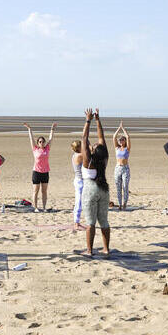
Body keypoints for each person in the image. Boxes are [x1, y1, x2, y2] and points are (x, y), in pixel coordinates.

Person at [81, 108, 110, 256]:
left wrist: (88, 120)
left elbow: (84, 138)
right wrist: (98, 120)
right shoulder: (104, 157)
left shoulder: (88, 160)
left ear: (93, 151)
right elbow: (101, 138)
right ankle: (106, 249)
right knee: (104, 221)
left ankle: (89, 250)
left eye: (94, 146)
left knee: (90, 222)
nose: (94, 144)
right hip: (104, 188)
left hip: (90, 188)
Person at [24, 122, 56, 212]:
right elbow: (31, 139)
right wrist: (29, 129)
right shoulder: (35, 149)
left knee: (44, 191)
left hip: (45, 172)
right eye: (40, 141)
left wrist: (52, 129)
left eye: (43, 141)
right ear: (38, 143)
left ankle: (44, 207)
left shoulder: (47, 148)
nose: (41, 143)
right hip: (36, 172)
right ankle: (36, 208)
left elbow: (51, 138)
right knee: (35, 191)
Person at [113, 121, 131, 211]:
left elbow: (128, 137)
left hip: (125, 168)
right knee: (118, 187)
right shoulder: (117, 148)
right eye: (120, 140)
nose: (120, 141)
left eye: (122, 140)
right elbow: (114, 137)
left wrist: (123, 128)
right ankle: (119, 204)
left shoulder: (127, 149)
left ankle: (124, 203)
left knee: (125, 186)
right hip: (117, 168)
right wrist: (118, 129)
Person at [70, 140, 84, 228]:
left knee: (79, 201)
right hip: (80, 181)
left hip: (79, 180)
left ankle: (76, 220)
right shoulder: (79, 156)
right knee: (78, 201)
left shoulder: (75, 155)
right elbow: (89, 153)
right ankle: (76, 221)